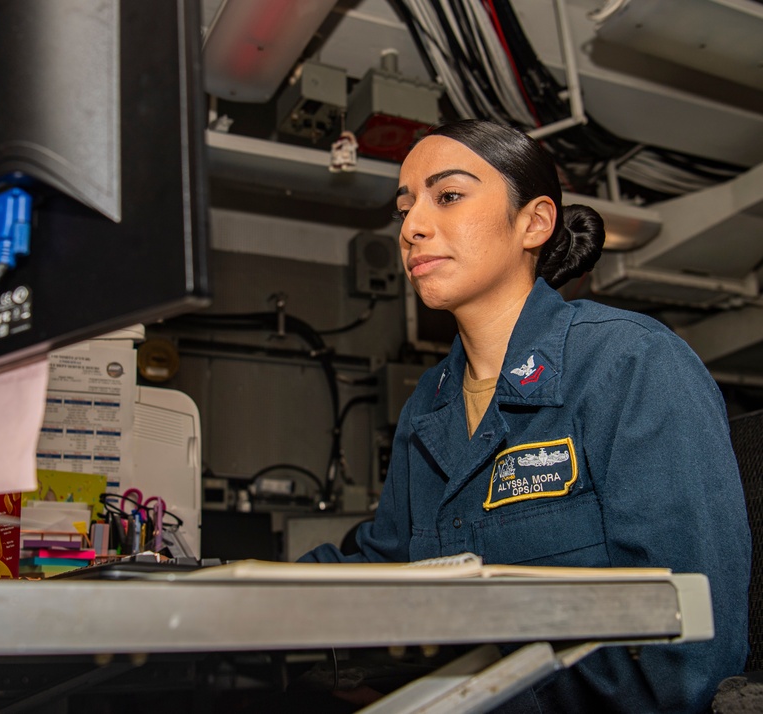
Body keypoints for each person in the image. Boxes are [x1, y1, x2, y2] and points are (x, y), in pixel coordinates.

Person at [299, 119, 751, 713]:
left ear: (533, 222)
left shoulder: (629, 364)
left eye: (449, 196)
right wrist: (227, 587)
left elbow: (692, 637)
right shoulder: (427, 405)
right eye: (404, 207)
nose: (411, 227)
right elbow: (388, 565)